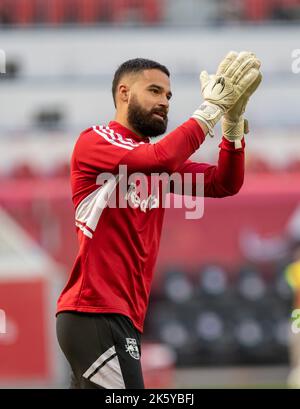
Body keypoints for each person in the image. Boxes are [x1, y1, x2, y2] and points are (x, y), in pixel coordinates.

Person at [56, 53, 262, 389]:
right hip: (96, 312)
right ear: (124, 93)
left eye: (168, 95)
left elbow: (225, 183)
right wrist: (210, 109)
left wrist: (232, 126)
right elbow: (162, 157)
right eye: (154, 90)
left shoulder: (153, 165)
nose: (164, 101)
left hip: (116, 316)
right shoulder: (96, 141)